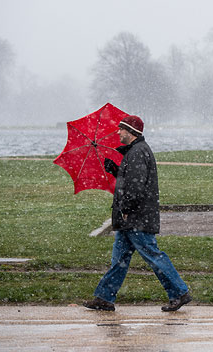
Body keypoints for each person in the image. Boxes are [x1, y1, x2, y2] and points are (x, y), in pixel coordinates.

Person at [83, 115, 192, 312]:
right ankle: (104, 298)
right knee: (119, 261)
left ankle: (179, 292)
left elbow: (136, 187)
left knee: (153, 255)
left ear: (131, 132)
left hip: (136, 219)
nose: (118, 132)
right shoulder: (134, 152)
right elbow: (131, 180)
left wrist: (126, 209)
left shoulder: (138, 153)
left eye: (121, 129)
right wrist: (115, 170)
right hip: (131, 220)